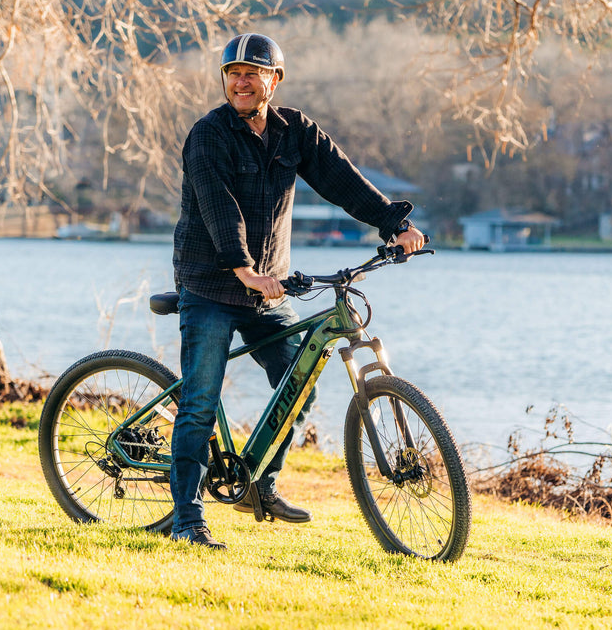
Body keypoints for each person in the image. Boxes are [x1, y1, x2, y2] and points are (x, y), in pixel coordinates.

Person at [169, 32, 425, 550]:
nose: (242, 81)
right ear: (225, 81)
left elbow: (341, 179)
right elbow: (221, 210)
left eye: (253, 73)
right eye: (233, 73)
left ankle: (258, 485)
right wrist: (244, 270)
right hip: (213, 283)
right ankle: (187, 520)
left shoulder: (294, 131)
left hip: (269, 288)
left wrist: (392, 223)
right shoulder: (207, 135)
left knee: (297, 383)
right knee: (199, 402)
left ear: (274, 80)